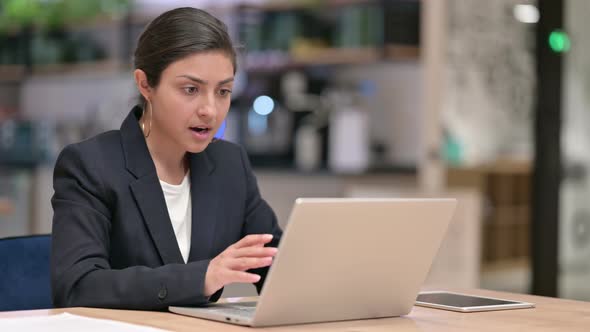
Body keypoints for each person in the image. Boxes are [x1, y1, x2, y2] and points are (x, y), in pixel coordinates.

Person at [50, 7, 282, 310]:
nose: (210, 110)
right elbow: (77, 287)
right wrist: (201, 277)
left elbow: (277, 265)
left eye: (223, 91)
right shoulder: (90, 165)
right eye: (191, 89)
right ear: (146, 85)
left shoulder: (229, 164)